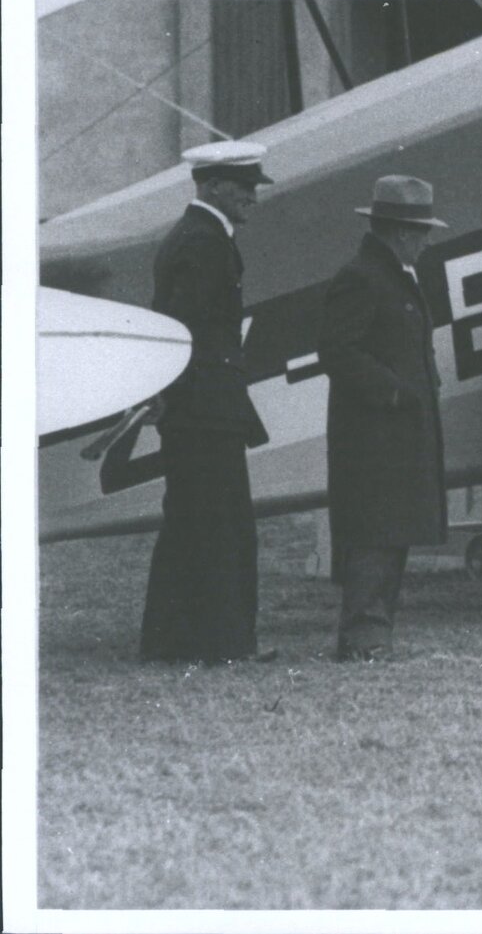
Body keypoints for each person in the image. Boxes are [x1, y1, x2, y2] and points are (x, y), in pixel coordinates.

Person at [139, 141, 277, 665]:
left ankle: (172, 643)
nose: (252, 200)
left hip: (196, 406)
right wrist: (171, 393)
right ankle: (224, 644)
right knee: (220, 526)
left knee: (190, 524)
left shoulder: (197, 236)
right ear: (214, 185)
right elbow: (184, 328)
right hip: (205, 408)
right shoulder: (204, 242)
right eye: (245, 188)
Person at [319, 176, 449, 660]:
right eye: (421, 232)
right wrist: (393, 392)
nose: (426, 241)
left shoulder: (388, 276)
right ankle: (363, 636)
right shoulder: (363, 277)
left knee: (390, 532)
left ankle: (374, 633)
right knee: (375, 534)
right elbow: (336, 350)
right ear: (398, 233)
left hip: (393, 433)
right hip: (374, 436)